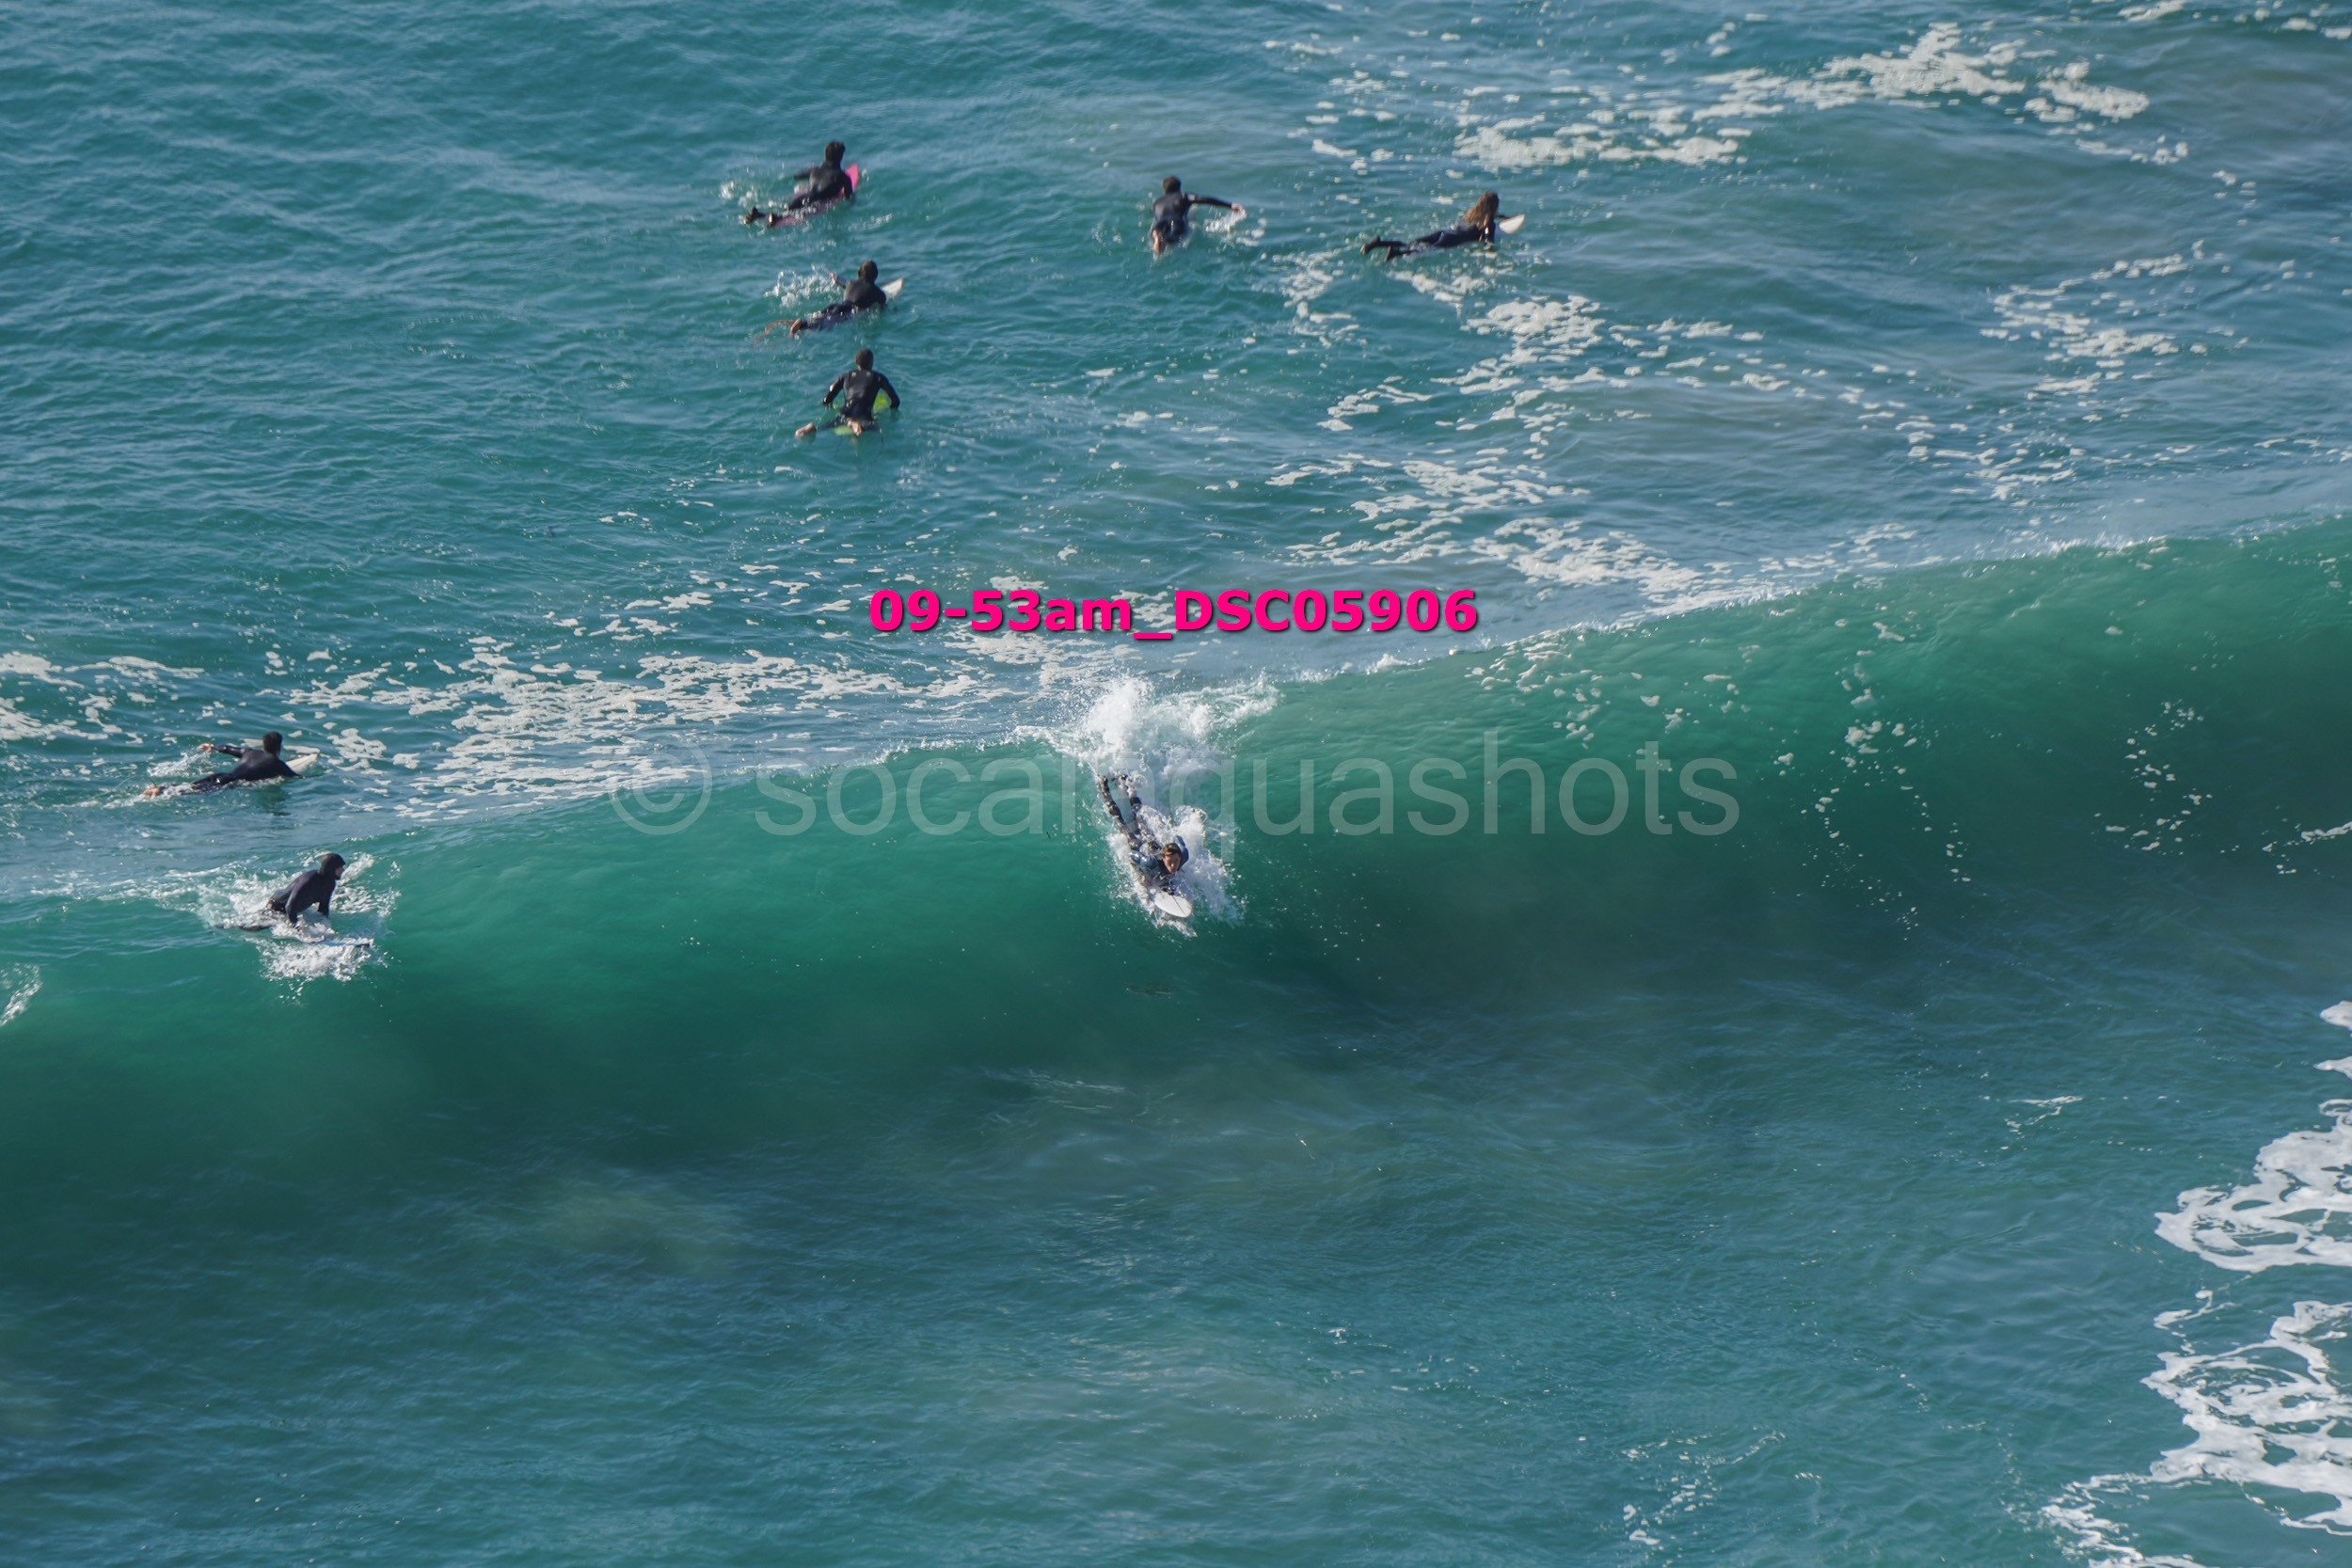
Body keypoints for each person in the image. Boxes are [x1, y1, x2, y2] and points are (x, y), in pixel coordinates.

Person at [1362, 190, 1509, 261]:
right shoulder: (1488, 222)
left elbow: (1492, 217)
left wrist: (1506, 217)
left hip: (1445, 233)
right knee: (1424, 250)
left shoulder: (1473, 214)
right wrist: (1491, 250)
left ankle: (1377, 244)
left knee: (1413, 243)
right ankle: (1396, 253)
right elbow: (1489, 240)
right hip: (1451, 240)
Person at [1100, 774, 1188, 890]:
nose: (1173, 865)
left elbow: (1179, 840)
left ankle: (1126, 782)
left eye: (1176, 861)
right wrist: (1142, 876)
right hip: (1137, 845)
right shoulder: (1150, 863)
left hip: (1151, 843)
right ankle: (1104, 788)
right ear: (1163, 857)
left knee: (1140, 815)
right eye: (1170, 861)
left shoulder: (1184, 855)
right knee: (1121, 822)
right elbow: (1131, 855)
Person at [144, 731, 299, 796]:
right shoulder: (277, 764)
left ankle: (161, 788)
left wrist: (213, 746)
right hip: (230, 782)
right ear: (279, 748)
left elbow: (229, 749)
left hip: (221, 775)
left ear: (263, 744)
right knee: (194, 793)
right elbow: (296, 777)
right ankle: (161, 791)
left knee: (192, 786)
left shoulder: (249, 752)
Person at [767, 260, 890, 339]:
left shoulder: (850, 283)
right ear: (875, 276)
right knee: (824, 325)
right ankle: (801, 325)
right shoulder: (876, 292)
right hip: (847, 312)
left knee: (819, 318)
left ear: (859, 274)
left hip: (835, 305)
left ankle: (802, 323)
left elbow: (840, 281)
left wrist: (834, 277)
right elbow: (883, 305)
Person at [795, 347, 899, 436]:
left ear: (856, 362)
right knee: (874, 429)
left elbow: (827, 399)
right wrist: (885, 412)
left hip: (846, 410)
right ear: (872, 363)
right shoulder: (878, 377)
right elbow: (896, 401)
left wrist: (829, 406)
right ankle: (855, 426)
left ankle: (813, 428)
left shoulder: (846, 376)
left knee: (836, 422)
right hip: (863, 413)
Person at [745, 141, 853, 226]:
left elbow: (797, 177)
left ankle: (759, 215)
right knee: (792, 216)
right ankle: (776, 219)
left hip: (802, 197)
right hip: (816, 204)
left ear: (825, 155)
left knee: (788, 210)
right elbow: (848, 196)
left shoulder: (814, 170)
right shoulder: (843, 177)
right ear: (841, 157)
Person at [1150, 176, 1243, 256]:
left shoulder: (1156, 203)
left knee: (1160, 232)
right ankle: (1164, 241)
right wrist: (1230, 205)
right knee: (1173, 241)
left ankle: (1157, 237)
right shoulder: (1183, 196)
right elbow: (1205, 199)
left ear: (1164, 189)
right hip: (1176, 221)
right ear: (1179, 188)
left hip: (1159, 223)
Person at [267, 853, 346, 927]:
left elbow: (323, 908)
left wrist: (324, 926)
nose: (343, 870)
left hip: (296, 910)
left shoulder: (330, 883)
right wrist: (296, 929)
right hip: (276, 907)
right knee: (260, 926)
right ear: (331, 869)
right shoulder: (308, 881)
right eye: (340, 867)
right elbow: (290, 906)